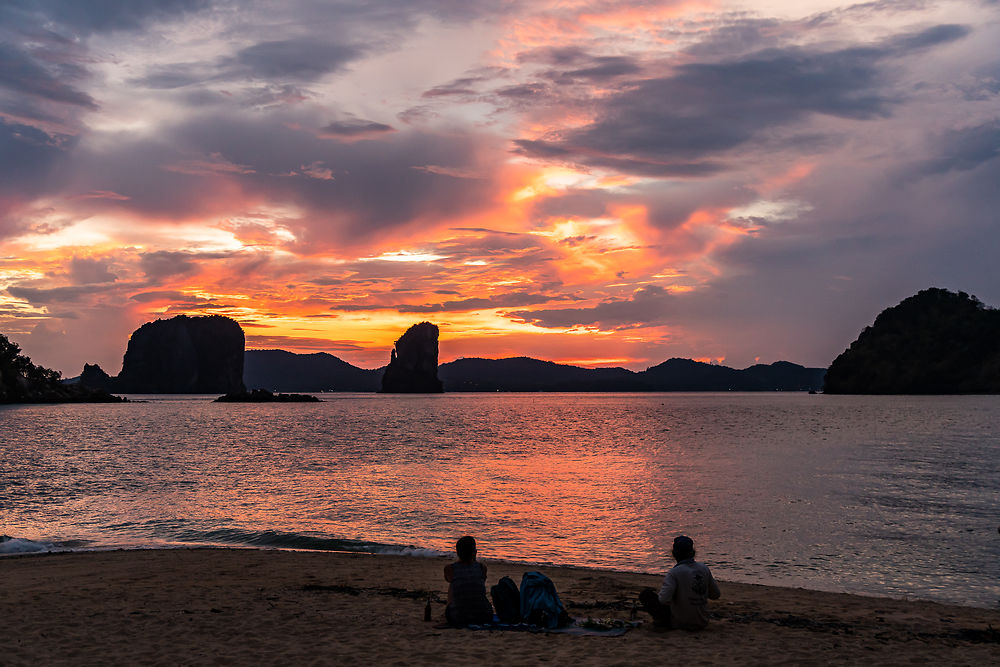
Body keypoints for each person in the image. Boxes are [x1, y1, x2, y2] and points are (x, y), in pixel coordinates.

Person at [639, 535, 721, 630]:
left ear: (674, 553)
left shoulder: (674, 573)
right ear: (693, 552)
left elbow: (663, 600)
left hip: (680, 622)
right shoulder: (704, 568)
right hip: (702, 621)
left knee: (646, 595)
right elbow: (715, 595)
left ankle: (662, 622)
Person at [443, 536, 494, 626]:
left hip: (457, 617)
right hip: (484, 616)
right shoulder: (482, 568)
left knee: (452, 584)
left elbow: (448, 579)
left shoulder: (450, 568)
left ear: (458, 553)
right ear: (474, 552)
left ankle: (452, 607)